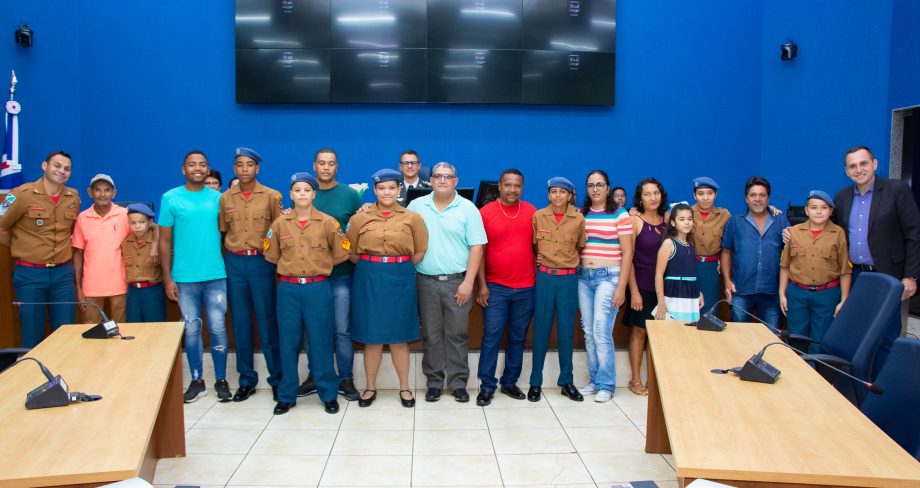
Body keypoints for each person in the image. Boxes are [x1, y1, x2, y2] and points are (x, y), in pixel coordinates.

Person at [264, 172, 347, 415]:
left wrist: (321, 265)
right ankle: (287, 394)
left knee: (321, 342)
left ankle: (328, 393)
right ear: (291, 194)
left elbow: (341, 252)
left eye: (306, 190)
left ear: (314, 194)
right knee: (288, 342)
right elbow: (271, 255)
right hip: (288, 289)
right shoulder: (280, 224)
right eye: (297, 190)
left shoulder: (329, 223)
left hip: (317, 287)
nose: (302, 194)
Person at [346, 169, 429, 408]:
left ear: (399, 190)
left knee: (399, 337)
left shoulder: (412, 218)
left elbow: (420, 250)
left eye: (392, 188)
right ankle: (370, 387)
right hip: (368, 278)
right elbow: (350, 252)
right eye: (382, 188)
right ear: (375, 190)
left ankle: (404, 388)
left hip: (400, 277)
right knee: (372, 337)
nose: (387, 192)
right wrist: (374, 266)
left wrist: (396, 267)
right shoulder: (359, 218)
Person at [833, 146, 920, 366]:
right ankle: (860, 382)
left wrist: (911, 276)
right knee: (859, 332)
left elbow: (914, 234)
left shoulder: (896, 190)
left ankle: (882, 387)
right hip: (857, 277)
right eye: (852, 166)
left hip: (889, 275)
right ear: (846, 170)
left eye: (863, 163)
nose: (858, 169)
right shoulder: (842, 197)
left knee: (887, 334)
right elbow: (832, 233)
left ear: (875, 164)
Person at [408, 162, 487, 403]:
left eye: (448, 176)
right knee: (431, 335)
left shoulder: (467, 208)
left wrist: (469, 283)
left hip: (457, 283)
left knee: (457, 335)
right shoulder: (416, 206)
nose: (443, 180)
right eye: (438, 176)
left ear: (456, 181)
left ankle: (457, 383)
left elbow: (477, 246)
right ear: (430, 180)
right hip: (425, 282)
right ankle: (434, 382)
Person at [158, 150, 231, 403]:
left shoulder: (218, 199)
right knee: (191, 330)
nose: (197, 168)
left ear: (208, 169)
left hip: (215, 275)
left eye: (202, 165)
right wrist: (167, 278)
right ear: (183, 169)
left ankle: (221, 379)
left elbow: (227, 236)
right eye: (192, 165)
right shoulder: (170, 198)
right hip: (184, 278)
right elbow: (164, 241)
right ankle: (197, 380)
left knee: (219, 329)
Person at [297, 148, 362, 402]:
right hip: (311, 277)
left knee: (342, 330)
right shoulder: (303, 193)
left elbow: (356, 231)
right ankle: (316, 376)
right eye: (322, 163)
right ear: (314, 166)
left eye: (331, 163)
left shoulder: (349, 195)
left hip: (341, 275)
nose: (326, 167)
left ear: (337, 167)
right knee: (313, 330)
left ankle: (345, 378)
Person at [218, 147, 283, 403]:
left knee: (268, 322)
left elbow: (279, 232)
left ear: (257, 168)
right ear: (234, 169)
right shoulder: (225, 199)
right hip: (235, 263)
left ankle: (277, 379)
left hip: (262, 262)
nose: (244, 169)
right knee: (241, 323)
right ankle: (246, 380)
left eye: (249, 165)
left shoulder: (271, 196)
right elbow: (224, 232)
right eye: (239, 165)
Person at [0, 150, 80, 347]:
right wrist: (22, 245)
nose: (62, 171)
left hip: (62, 273)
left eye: (67, 168)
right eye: (57, 166)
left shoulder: (73, 197)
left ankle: (64, 374)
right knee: (31, 329)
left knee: (66, 330)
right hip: (30, 274)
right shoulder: (20, 195)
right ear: (45, 166)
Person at [475, 169, 537, 406]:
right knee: (491, 337)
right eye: (508, 185)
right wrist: (482, 285)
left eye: (517, 185)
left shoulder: (532, 212)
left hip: (527, 288)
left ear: (522, 187)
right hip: (496, 288)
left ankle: (509, 382)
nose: (512, 190)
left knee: (517, 338)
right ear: (499, 186)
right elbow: (478, 253)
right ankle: (487, 386)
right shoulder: (485, 213)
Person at [577, 170, 633, 402]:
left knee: (601, 331)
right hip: (583, 277)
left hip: (609, 277)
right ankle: (594, 380)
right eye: (591, 185)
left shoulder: (620, 215)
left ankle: (607, 385)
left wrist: (621, 287)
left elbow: (628, 253)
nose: (595, 189)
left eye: (600, 185)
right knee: (589, 333)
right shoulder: (582, 214)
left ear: (608, 188)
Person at [529, 177, 586, 403]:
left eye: (562, 192)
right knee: (541, 330)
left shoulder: (579, 219)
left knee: (566, 331)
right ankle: (535, 381)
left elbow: (580, 245)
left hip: (567, 279)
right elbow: (535, 245)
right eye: (553, 192)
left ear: (570, 195)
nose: (557, 196)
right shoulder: (538, 216)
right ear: (548, 194)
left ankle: (566, 381)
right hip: (544, 277)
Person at [779, 191, 851, 351]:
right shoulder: (794, 232)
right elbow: (785, 265)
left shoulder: (838, 233)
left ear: (831, 211)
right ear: (806, 211)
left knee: (820, 340)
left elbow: (845, 271)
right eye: (814, 207)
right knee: (796, 338)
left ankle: (816, 373)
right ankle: (799, 373)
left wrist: (843, 300)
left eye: (824, 208)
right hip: (797, 293)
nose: (819, 212)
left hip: (827, 295)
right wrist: (782, 294)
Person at [721, 176, 790, 327]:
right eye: (753, 195)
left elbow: (789, 255)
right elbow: (726, 252)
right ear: (746, 198)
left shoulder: (781, 221)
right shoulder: (735, 222)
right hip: (741, 289)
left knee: (771, 337)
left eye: (762, 195)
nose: (757, 199)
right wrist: (727, 281)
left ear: (768, 198)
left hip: (771, 290)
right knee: (739, 336)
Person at [622, 177, 667, 396]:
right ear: (640, 198)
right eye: (647, 194)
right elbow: (627, 258)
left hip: (663, 288)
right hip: (640, 286)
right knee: (639, 332)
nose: (652, 198)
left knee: (658, 335)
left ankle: (653, 378)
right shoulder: (635, 221)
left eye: (656, 193)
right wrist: (634, 292)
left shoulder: (668, 220)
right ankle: (635, 380)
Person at [72, 174, 131, 324]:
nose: (103, 194)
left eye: (107, 190)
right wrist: (78, 288)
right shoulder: (83, 218)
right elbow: (78, 254)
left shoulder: (124, 214)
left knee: (123, 332)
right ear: (90, 192)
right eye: (97, 190)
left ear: (114, 193)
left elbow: (150, 229)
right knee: (92, 333)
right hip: (91, 286)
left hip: (120, 284)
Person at [687, 177, 730, 313]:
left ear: (715, 195)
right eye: (701, 194)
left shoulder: (724, 215)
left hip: (711, 269)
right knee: (687, 312)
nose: (705, 198)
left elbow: (729, 244)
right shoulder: (684, 213)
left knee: (709, 311)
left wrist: (770, 209)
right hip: (688, 266)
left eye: (710, 193)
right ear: (694, 195)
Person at [655, 203, 703, 322]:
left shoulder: (690, 244)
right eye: (682, 219)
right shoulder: (669, 243)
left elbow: (690, 273)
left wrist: (699, 293)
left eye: (689, 219)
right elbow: (659, 275)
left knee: (688, 335)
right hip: (673, 297)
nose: (687, 222)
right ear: (673, 222)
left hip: (690, 297)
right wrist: (661, 303)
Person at [122, 203, 166, 322]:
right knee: (133, 327)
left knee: (155, 327)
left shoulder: (158, 242)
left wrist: (155, 244)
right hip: (132, 292)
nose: (137, 226)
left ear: (150, 222)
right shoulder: (125, 243)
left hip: (152, 290)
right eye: (133, 223)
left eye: (142, 222)